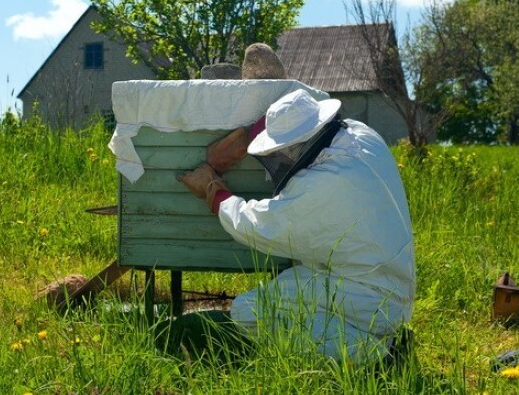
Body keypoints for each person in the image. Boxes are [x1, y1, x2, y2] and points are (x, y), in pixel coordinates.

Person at [175, 89, 415, 363]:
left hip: (366, 296)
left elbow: (256, 225)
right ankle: (382, 335)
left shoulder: (320, 184)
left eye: (281, 150)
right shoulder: (360, 134)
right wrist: (247, 136)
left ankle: (379, 356)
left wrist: (212, 188)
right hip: (383, 279)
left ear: (298, 143)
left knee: (248, 311)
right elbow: (294, 112)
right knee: (288, 286)